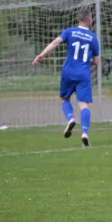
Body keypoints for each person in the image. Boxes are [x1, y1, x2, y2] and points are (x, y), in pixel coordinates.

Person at [32, 9, 99, 146]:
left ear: (78, 19)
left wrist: (41, 55)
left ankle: (70, 119)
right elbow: (96, 61)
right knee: (83, 105)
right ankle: (84, 133)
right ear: (89, 20)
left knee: (64, 99)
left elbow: (55, 43)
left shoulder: (70, 31)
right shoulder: (93, 38)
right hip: (83, 74)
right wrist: (88, 61)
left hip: (68, 72)